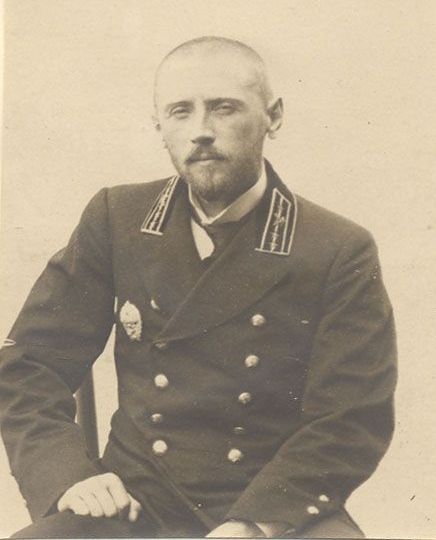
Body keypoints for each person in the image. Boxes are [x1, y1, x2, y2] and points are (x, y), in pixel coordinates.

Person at [0, 36, 397, 539]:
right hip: (134, 504)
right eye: (180, 112)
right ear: (159, 126)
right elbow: (29, 364)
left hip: (274, 505)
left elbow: (351, 417)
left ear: (273, 116)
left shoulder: (337, 247)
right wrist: (69, 477)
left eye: (224, 108)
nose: (201, 131)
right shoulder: (117, 218)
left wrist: (253, 524)